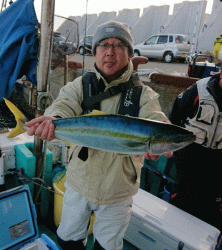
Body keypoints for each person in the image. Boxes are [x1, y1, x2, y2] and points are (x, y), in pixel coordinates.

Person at [26, 21, 172, 250]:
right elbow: (63, 104)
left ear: (129, 53)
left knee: (108, 247)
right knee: (68, 239)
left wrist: (161, 131)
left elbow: (154, 118)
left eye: (119, 45)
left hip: (118, 192)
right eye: (103, 45)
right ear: (95, 52)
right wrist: (52, 118)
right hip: (79, 182)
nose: (110, 52)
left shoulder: (144, 95)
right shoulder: (79, 86)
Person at [169, 70, 222, 232]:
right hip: (190, 155)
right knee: (182, 201)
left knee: (211, 207)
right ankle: (172, 236)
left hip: (219, 160)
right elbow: (174, 119)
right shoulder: (198, 90)